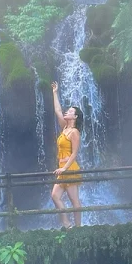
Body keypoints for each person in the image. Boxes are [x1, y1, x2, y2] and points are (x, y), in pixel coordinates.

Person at [51, 81, 83, 229]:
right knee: (55, 196)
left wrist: (65, 169)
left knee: (73, 199)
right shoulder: (64, 127)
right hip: (62, 168)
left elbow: (75, 153)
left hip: (69, 168)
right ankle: (66, 224)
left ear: (75, 117)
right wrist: (55, 93)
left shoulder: (75, 132)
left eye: (70, 111)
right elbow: (57, 110)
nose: (67, 112)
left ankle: (78, 228)